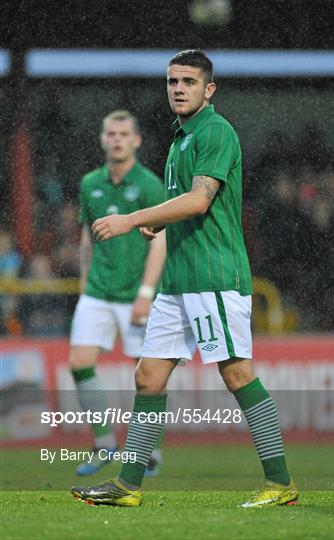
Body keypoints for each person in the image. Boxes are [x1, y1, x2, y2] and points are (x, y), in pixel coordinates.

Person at [72, 50, 298, 508]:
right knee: (148, 376)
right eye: (172, 81)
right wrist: (160, 222)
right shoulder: (180, 138)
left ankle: (281, 483)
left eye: (189, 82)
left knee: (237, 376)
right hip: (177, 282)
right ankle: (128, 485)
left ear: (208, 89)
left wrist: (133, 219)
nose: (178, 88)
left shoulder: (215, 130)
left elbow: (198, 201)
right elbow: (185, 206)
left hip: (213, 276)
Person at [69, 110, 166, 476]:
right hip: (97, 290)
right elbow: (86, 239)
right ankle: (104, 444)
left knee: (146, 374)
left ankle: (149, 451)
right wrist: (83, 286)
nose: (117, 139)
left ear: (137, 140)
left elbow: (161, 240)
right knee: (79, 363)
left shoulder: (149, 184)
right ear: (102, 138)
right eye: (111, 133)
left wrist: (146, 292)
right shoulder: (89, 183)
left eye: (124, 133)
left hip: (135, 293)